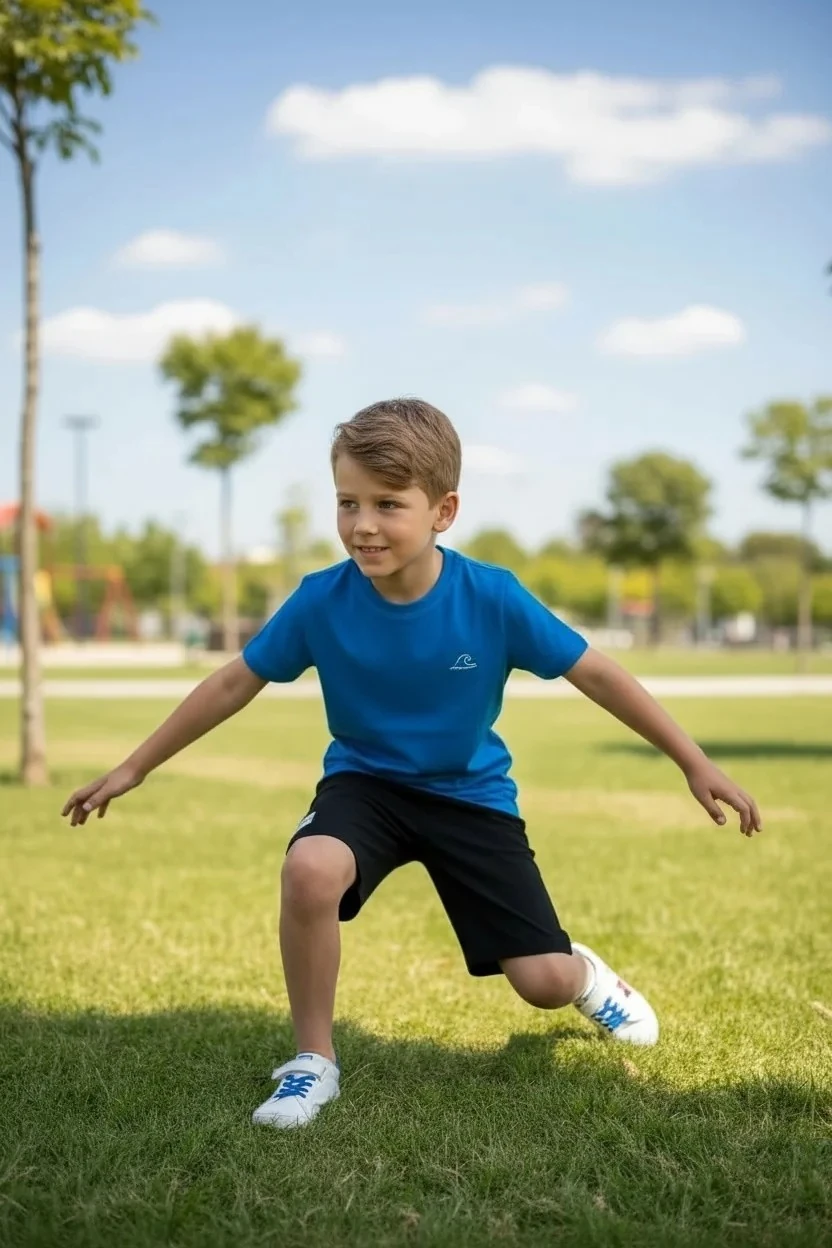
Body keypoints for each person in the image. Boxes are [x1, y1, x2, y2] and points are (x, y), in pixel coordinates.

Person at [62, 398, 762, 1130]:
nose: (362, 524)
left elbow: (598, 674)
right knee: (309, 870)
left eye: (388, 504)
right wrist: (135, 766)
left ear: (443, 510)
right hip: (367, 786)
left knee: (542, 983)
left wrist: (693, 761)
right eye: (347, 502)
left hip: (472, 797)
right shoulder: (319, 602)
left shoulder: (491, 597)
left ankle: (583, 973)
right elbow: (236, 680)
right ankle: (312, 1062)